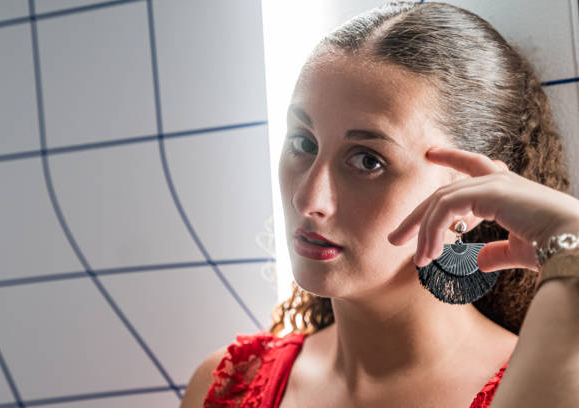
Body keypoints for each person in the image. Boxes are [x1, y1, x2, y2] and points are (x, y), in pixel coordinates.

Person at [181, 2, 579, 407]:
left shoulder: (543, 385)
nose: (309, 199)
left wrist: (570, 239)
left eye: (368, 161)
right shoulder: (226, 385)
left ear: (470, 197)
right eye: (303, 143)